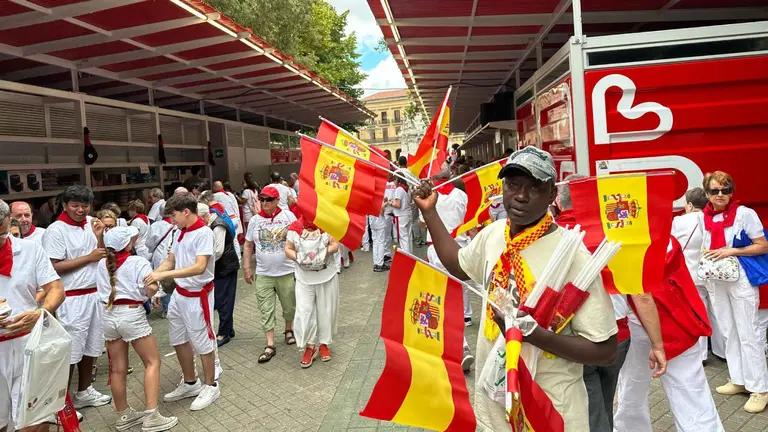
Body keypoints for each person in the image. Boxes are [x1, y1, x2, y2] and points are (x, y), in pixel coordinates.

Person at [413, 147, 618, 430]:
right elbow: (459, 265)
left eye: (534, 187)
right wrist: (431, 212)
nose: (521, 196)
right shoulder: (495, 234)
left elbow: (605, 350)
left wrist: (534, 335)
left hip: (549, 410)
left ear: (552, 196)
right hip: (495, 402)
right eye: (513, 185)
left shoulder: (573, 256)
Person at [556, 174, 668, 432]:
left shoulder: (553, 236)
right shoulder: (616, 236)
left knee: (589, 414)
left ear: (559, 204)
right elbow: (641, 295)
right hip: (617, 336)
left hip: (575, 338)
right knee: (603, 405)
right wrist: (657, 344)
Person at [95, 227, 178, 431]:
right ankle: (152, 415)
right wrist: (152, 292)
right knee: (152, 362)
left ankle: (123, 415)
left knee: (117, 368)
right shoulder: (137, 262)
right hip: (131, 313)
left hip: (108, 315)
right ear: (128, 244)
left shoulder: (100, 264)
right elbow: (149, 288)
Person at [143, 192, 220, 411]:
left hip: (198, 296)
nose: (171, 220)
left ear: (186, 212)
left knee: (202, 342)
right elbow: (171, 259)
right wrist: (153, 277)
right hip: (180, 294)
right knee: (178, 339)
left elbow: (199, 267)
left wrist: (163, 276)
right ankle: (190, 382)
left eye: (174, 215)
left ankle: (210, 385)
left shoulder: (204, 233)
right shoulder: (180, 231)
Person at [700, 171, 768, 413]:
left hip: (740, 280)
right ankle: (739, 380)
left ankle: (760, 389)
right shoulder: (702, 217)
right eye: (715, 191)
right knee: (728, 331)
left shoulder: (744, 214)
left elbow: (763, 245)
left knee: (748, 332)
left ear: (731, 192)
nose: (721, 195)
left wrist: (731, 251)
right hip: (716, 280)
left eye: (725, 190)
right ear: (707, 193)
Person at [42, 185, 113, 410]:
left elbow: (100, 256)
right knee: (69, 353)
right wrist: (88, 257)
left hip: (93, 294)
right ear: (64, 205)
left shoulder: (93, 224)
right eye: (75, 205)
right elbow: (53, 267)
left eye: (85, 205)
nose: (81, 210)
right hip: (70, 299)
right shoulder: (56, 230)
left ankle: (84, 391)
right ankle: (61, 402)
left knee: (91, 348)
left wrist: (100, 238)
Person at [0, 199, 66, 432]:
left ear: (9, 222)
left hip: (29, 344)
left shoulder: (29, 250)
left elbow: (56, 289)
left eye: (2, 235)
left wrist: (41, 313)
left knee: (35, 418)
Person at [418, 173, 475, 370]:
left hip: (438, 250)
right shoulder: (461, 195)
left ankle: (461, 346)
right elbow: (471, 220)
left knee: (443, 296)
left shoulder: (431, 196)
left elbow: (423, 222)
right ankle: (465, 319)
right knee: (459, 289)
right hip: (461, 246)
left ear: (434, 181)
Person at [243, 185, 297, 363]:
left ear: (276, 201)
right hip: (264, 273)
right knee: (266, 309)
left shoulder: (288, 216)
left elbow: (298, 238)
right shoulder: (255, 221)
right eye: (262, 199)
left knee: (290, 306)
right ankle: (270, 343)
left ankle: (289, 329)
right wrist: (247, 268)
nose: (265, 203)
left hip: (287, 271)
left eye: (269, 200)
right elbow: (248, 245)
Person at [671, 187, 726, 362]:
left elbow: (671, 246)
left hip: (691, 274)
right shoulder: (715, 219)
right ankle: (723, 351)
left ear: (689, 204)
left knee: (698, 313)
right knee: (718, 312)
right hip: (715, 272)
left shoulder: (678, 222)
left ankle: (701, 354)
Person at [285, 217, 339, 368]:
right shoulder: (295, 227)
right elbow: (288, 248)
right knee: (305, 311)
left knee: (325, 310)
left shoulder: (328, 223)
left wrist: (322, 253)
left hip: (326, 276)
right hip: (304, 277)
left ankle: (324, 343)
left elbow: (335, 245)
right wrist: (299, 258)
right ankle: (309, 346)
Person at [198, 203, 240, 347]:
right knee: (223, 299)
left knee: (223, 300)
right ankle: (229, 328)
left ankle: (224, 332)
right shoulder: (211, 224)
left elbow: (218, 251)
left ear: (204, 216)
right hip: (220, 267)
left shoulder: (218, 225)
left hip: (225, 267)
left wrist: (202, 264)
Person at [147, 208, 178, 318]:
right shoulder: (175, 229)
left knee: (166, 280)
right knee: (165, 282)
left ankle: (167, 308)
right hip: (166, 258)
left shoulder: (156, 226)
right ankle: (168, 307)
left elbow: (149, 243)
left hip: (160, 255)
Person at [212, 181, 243, 261]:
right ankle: (239, 259)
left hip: (228, 220)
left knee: (229, 240)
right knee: (234, 239)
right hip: (234, 218)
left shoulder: (215, 196)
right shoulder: (230, 194)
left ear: (215, 187)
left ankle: (232, 259)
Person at [390, 171, 413, 253]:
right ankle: (410, 254)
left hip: (401, 215)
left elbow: (398, 204)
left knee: (403, 238)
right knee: (409, 236)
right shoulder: (407, 188)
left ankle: (406, 255)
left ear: (397, 179)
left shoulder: (399, 189)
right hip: (408, 213)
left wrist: (391, 203)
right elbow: (410, 201)